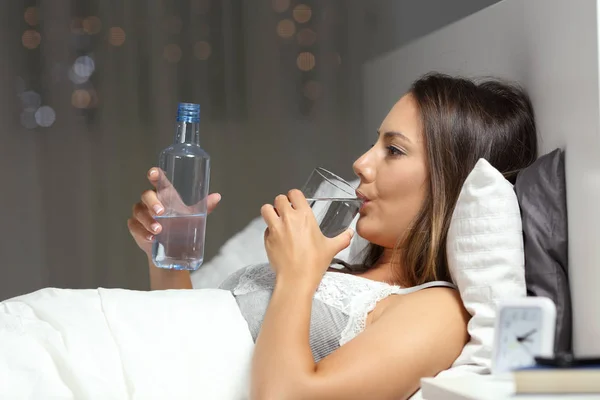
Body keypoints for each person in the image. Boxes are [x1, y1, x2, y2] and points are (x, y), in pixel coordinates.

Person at [127, 72, 538, 399]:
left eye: (393, 151)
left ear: (448, 182)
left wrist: (295, 275)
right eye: (374, 143)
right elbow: (187, 343)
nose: (360, 163)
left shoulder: (438, 311)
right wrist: (164, 253)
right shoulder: (340, 271)